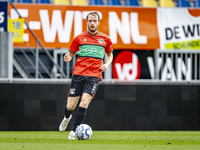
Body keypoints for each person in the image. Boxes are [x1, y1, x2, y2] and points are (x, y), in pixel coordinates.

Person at [59, 11, 114, 140]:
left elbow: (110, 55)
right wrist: (67, 57)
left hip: (94, 75)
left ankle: (73, 132)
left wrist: (106, 65)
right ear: (87, 22)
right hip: (78, 74)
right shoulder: (79, 38)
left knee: (84, 102)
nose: (92, 23)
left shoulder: (105, 39)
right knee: (70, 106)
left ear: (98, 22)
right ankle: (67, 117)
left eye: (95, 21)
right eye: (90, 21)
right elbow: (70, 54)